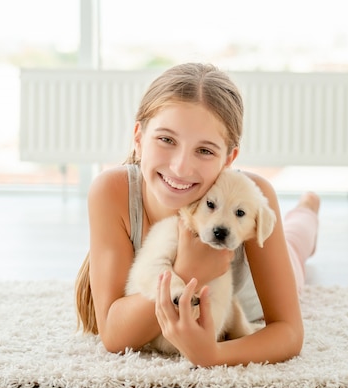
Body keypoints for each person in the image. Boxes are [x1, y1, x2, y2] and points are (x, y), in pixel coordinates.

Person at [75, 63, 319, 367]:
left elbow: (289, 333)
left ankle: (308, 208)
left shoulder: (250, 195)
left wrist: (213, 355)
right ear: (139, 138)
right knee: (294, 239)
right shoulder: (112, 191)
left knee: (295, 244)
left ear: (228, 159)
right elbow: (113, 334)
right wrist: (189, 270)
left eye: (204, 151)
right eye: (166, 140)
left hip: (246, 303)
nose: (180, 167)